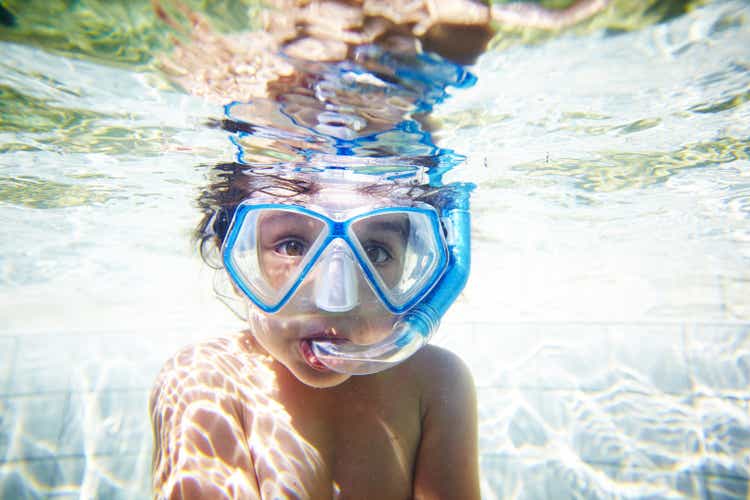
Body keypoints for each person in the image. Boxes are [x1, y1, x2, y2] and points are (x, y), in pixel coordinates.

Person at [149, 166, 479, 499]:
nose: (335, 300)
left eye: (375, 252)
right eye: (291, 247)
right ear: (237, 263)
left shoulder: (435, 381)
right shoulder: (206, 380)